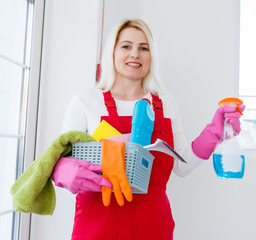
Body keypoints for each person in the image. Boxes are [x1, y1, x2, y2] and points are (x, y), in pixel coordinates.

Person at [52, 18, 245, 240]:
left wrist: (215, 131)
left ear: (151, 57)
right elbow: (58, 161)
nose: (135, 54)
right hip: (98, 225)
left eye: (143, 48)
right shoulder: (85, 102)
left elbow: (181, 165)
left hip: (153, 225)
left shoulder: (164, 104)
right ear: (112, 52)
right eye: (126, 46)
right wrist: (64, 171)